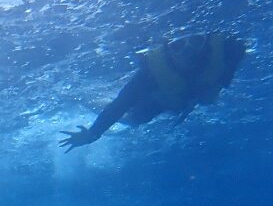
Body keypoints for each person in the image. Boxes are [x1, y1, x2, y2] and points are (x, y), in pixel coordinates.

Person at [59, 33, 247, 151]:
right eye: (178, 46)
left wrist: (224, 77)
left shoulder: (228, 50)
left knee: (208, 99)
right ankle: (85, 100)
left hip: (193, 94)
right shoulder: (149, 74)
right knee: (135, 119)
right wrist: (93, 133)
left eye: (196, 41)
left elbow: (237, 53)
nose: (188, 51)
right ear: (168, 49)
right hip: (159, 100)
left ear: (205, 41)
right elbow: (119, 105)